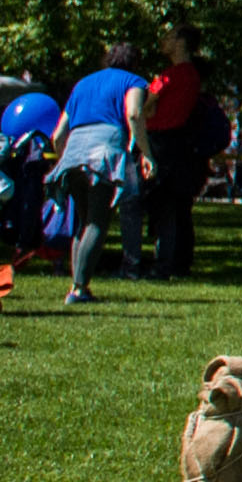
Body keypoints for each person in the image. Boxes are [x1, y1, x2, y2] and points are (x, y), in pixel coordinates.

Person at [47, 44, 152, 305]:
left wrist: (65, 160)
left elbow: (58, 134)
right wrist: (146, 153)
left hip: (73, 152)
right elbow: (134, 113)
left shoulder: (82, 84)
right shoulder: (134, 81)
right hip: (104, 152)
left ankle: (77, 285)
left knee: (82, 222)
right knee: (97, 221)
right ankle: (79, 289)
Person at [141, 28, 217, 279]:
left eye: (171, 37)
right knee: (178, 207)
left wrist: (151, 108)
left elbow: (147, 105)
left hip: (164, 145)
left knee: (166, 205)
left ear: (182, 43)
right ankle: (178, 261)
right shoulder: (191, 76)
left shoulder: (173, 76)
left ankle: (166, 262)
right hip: (178, 145)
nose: (164, 41)